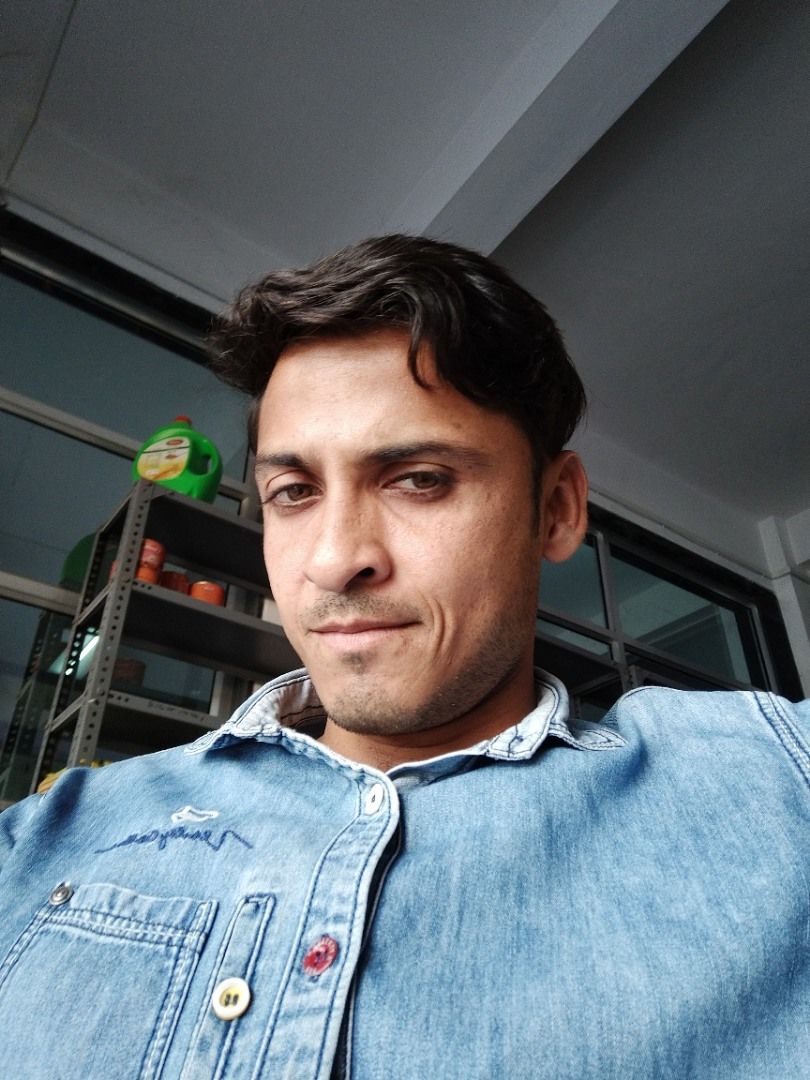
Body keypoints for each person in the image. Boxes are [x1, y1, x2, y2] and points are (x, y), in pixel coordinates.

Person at [0, 235, 807, 1078]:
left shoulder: (768, 784)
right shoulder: (50, 835)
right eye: (293, 492)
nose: (334, 559)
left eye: (419, 478)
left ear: (557, 510)